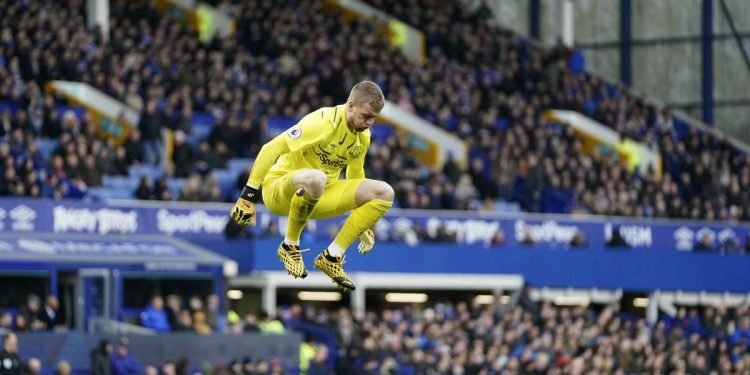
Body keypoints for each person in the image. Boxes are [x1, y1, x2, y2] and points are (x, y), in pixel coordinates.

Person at [230, 81, 394, 291]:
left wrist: (361, 221)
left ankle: (332, 256)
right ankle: (290, 244)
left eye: (374, 118)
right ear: (350, 105)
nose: (370, 123)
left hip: (320, 196)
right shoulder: (322, 123)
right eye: (366, 116)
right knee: (317, 178)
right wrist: (248, 195)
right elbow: (270, 148)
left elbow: (355, 176)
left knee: (385, 192)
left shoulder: (363, 136)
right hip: (280, 190)